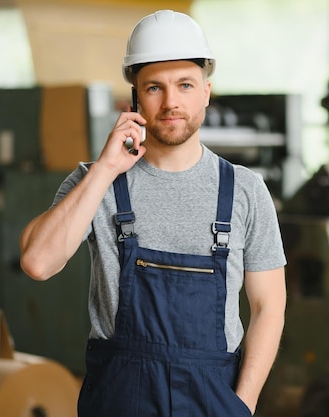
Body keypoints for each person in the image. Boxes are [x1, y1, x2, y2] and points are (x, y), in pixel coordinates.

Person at [19, 10, 286, 417]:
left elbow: (269, 306)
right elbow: (37, 263)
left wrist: (242, 405)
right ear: (135, 99)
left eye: (185, 85)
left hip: (214, 400)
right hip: (119, 399)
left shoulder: (245, 190)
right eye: (154, 88)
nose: (171, 101)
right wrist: (106, 169)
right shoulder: (95, 183)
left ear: (207, 92)